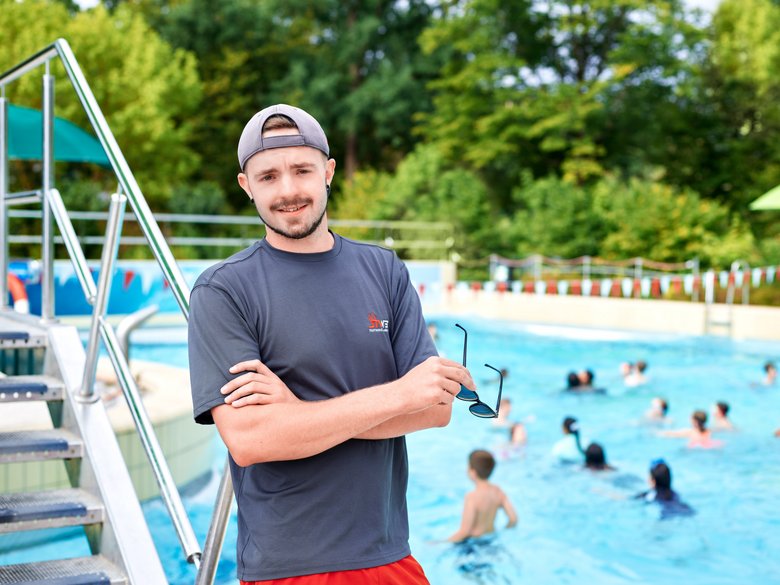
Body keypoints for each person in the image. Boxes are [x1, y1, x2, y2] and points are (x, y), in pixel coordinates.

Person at [187, 104, 475, 584]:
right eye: (268, 177)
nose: (288, 191)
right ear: (246, 186)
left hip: (391, 557)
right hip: (290, 567)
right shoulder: (223, 290)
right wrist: (398, 395)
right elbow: (252, 439)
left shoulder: (383, 270)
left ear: (328, 171)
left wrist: (296, 413)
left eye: (302, 170)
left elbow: (435, 407)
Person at [447, 450, 517, 542]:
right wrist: (504, 530)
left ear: (472, 472)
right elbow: (513, 519)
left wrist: (441, 542)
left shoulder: (471, 497)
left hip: (473, 543)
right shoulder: (498, 492)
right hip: (491, 540)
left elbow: (465, 531)